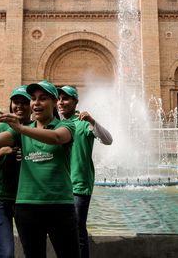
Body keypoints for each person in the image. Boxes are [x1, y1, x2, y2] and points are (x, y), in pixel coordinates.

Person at [0, 80, 79, 258]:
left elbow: (57, 138)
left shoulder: (65, 126)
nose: (36, 103)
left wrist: (20, 128)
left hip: (60, 205)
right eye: (34, 99)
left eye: (43, 98)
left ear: (54, 102)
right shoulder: (21, 131)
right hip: (27, 207)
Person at [57, 85, 112, 258]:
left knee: (77, 228)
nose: (61, 103)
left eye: (65, 99)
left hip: (79, 185)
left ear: (75, 101)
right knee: (63, 230)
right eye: (59, 99)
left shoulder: (83, 123)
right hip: (59, 186)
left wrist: (93, 121)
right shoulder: (57, 125)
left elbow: (108, 140)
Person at [0, 86, 30, 258]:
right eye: (16, 102)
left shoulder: (37, 129)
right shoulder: (2, 129)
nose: (20, 106)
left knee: (32, 251)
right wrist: (0, 154)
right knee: (6, 253)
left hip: (27, 200)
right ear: (10, 105)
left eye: (25, 102)